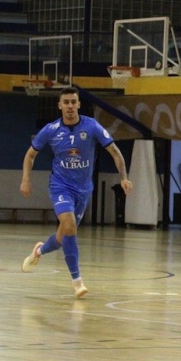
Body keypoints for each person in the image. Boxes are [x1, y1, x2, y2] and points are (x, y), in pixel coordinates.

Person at [20, 86, 132, 298]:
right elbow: (30, 155)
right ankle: (77, 281)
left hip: (83, 189)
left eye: (74, 102)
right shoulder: (51, 130)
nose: (70, 106)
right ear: (60, 105)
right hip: (60, 186)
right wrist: (26, 178)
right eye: (66, 102)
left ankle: (39, 251)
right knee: (70, 225)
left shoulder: (92, 126)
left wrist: (124, 177)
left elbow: (115, 152)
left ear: (79, 104)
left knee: (64, 236)